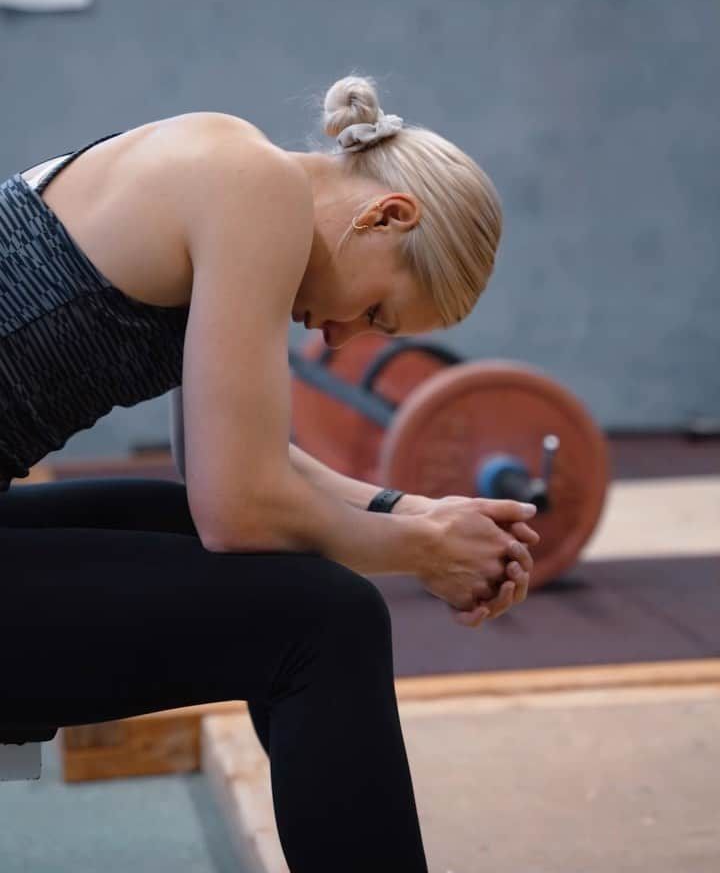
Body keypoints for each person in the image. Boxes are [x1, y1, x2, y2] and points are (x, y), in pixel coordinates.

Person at [0, 73, 539, 873]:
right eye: (375, 313)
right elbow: (240, 510)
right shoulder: (253, 190)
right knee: (328, 621)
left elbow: (234, 461)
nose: (337, 336)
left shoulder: (218, 156)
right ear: (388, 215)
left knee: (195, 528)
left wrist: (415, 511)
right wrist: (422, 554)